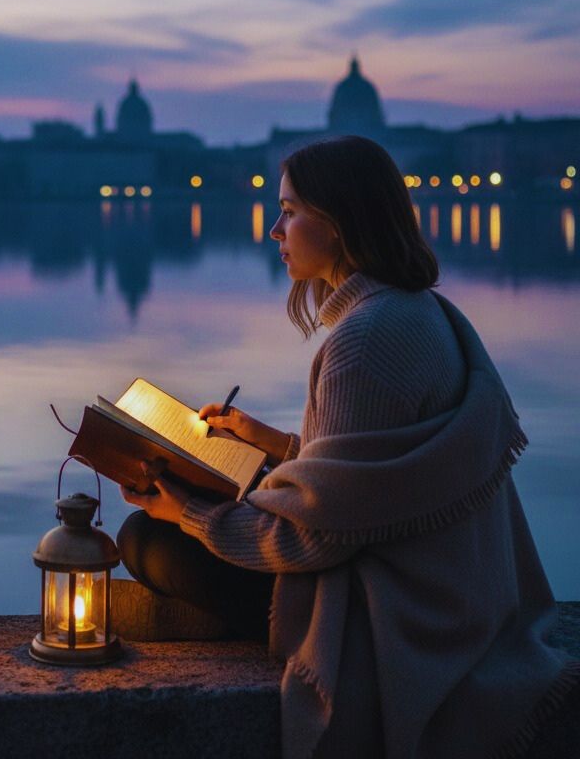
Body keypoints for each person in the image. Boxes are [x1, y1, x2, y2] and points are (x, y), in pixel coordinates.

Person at [117, 135, 577, 759]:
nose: (274, 230)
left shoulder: (362, 341)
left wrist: (193, 515)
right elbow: (379, 475)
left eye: (289, 211)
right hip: (450, 584)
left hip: (387, 606)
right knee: (202, 499)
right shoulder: (422, 312)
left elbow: (319, 537)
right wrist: (268, 443)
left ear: (336, 224)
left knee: (147, 539)